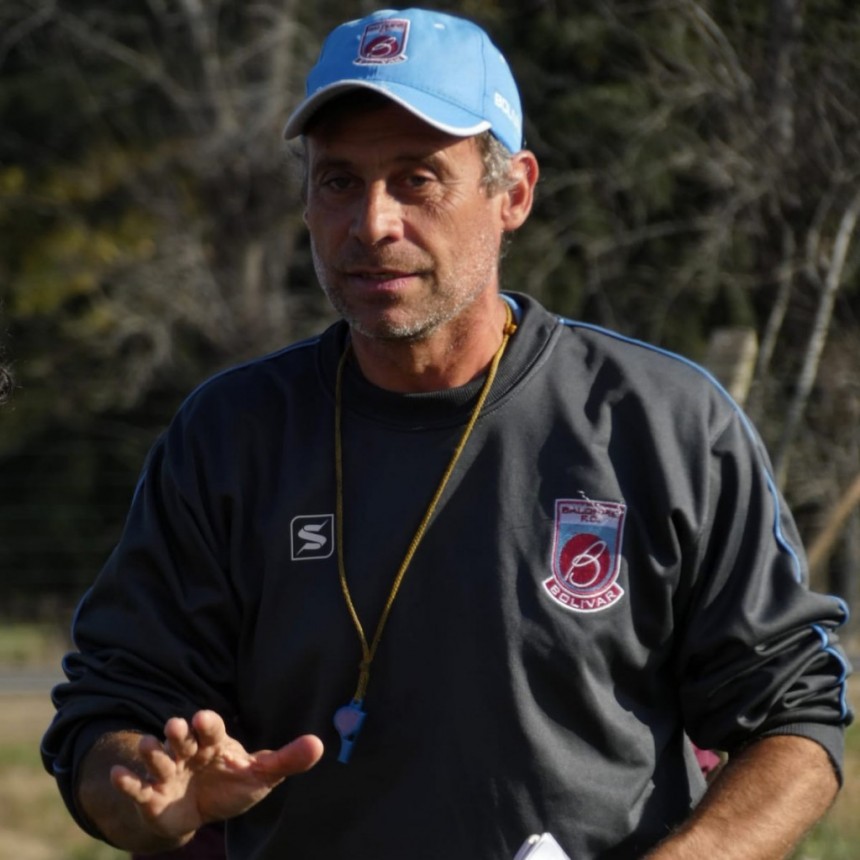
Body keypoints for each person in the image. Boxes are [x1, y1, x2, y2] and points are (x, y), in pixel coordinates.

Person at [42, 8, 852, 860]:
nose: (373, 224)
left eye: (417, 179)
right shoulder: (231, 436)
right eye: (339, 182)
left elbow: (794, 719)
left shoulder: (661, 422)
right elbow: (107, 718)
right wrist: (142, 787)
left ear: (514, 194)